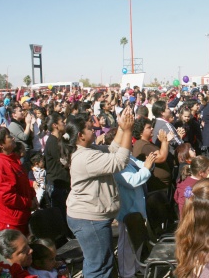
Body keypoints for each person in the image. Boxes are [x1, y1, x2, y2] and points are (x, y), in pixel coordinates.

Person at [62, 108, 133, 278]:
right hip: (89, 219)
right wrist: (129, 130)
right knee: (99, 266)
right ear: (80, 135)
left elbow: (112, 149)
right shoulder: (85, 157)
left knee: (98, 261)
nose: (93, 129)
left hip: (91, 217)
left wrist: (122, 128)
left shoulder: (89, 150)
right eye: (89, 128)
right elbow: (120, 161)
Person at [0, 127, 37, 235]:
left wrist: (33, 195)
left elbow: (24, 181)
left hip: (22, 216)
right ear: (1, 145)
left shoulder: (12, 159)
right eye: (9, 137)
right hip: (10, 221)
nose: (13, 138)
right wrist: (29, 203)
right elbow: (6, 196)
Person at [114, 153, 156, 278]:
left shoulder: (129, 157)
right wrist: (146, 167)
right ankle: (126, 273)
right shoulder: (116, 163)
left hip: (137, 207)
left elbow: (144, 165)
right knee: (127, 244)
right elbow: (132, 181)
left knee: (137, 241)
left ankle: (135, 267)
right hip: (127, 209)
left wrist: (151, 161)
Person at [132, 117, 171, 193]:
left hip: (160, 187)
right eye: (149, 127)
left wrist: (165, 142)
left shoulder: (144, 143)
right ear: (141, 132)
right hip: (157, 189)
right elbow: (162, 157)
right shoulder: (144, 146)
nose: (152, 128)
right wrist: (163, 141)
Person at [43, 113, 69, 220]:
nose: (64, 124)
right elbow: (62, 161)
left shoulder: (59, 140)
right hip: (57, 183)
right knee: (61, 213)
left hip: (62, 182)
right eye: (62, 122)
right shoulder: (52, 141)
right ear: (55, 125)